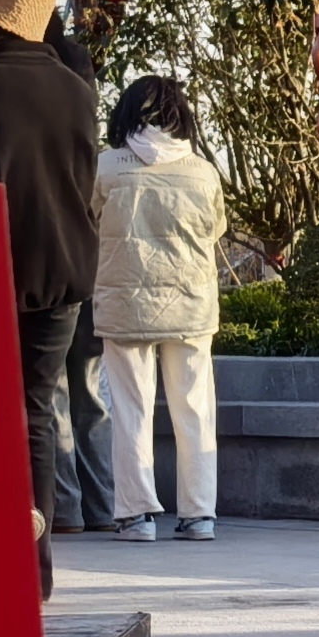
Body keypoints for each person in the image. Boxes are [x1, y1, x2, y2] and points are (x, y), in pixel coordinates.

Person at [0, 0, 102, 576]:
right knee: (36, 411)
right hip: (64, 271)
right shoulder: (77, 88)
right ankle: (32, 565)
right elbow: (83, 180)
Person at [93, 72, 233, 547]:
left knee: (131, 410)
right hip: (191, 306)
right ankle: (199, 515)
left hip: (125, 300)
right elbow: (215, 230)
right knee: (194, 411)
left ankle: (136, 516)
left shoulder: (108, 167)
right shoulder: (203, 171)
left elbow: (93, 221)